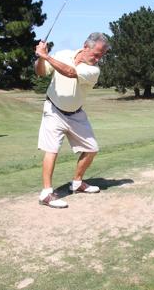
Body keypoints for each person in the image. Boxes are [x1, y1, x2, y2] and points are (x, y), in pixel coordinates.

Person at [34, 32, 110, 208]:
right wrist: (39, 58)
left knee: (92, 149)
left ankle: (77, 183)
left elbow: (69, 72)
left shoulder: (93, 70)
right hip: (53, 110)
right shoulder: (62, 55)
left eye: (102, 55)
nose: (99, 59)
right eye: (97, 54)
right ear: (85, 46)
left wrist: (46, 56)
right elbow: (40, 72)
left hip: (76, 114)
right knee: (52, 149)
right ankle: (46, 193)